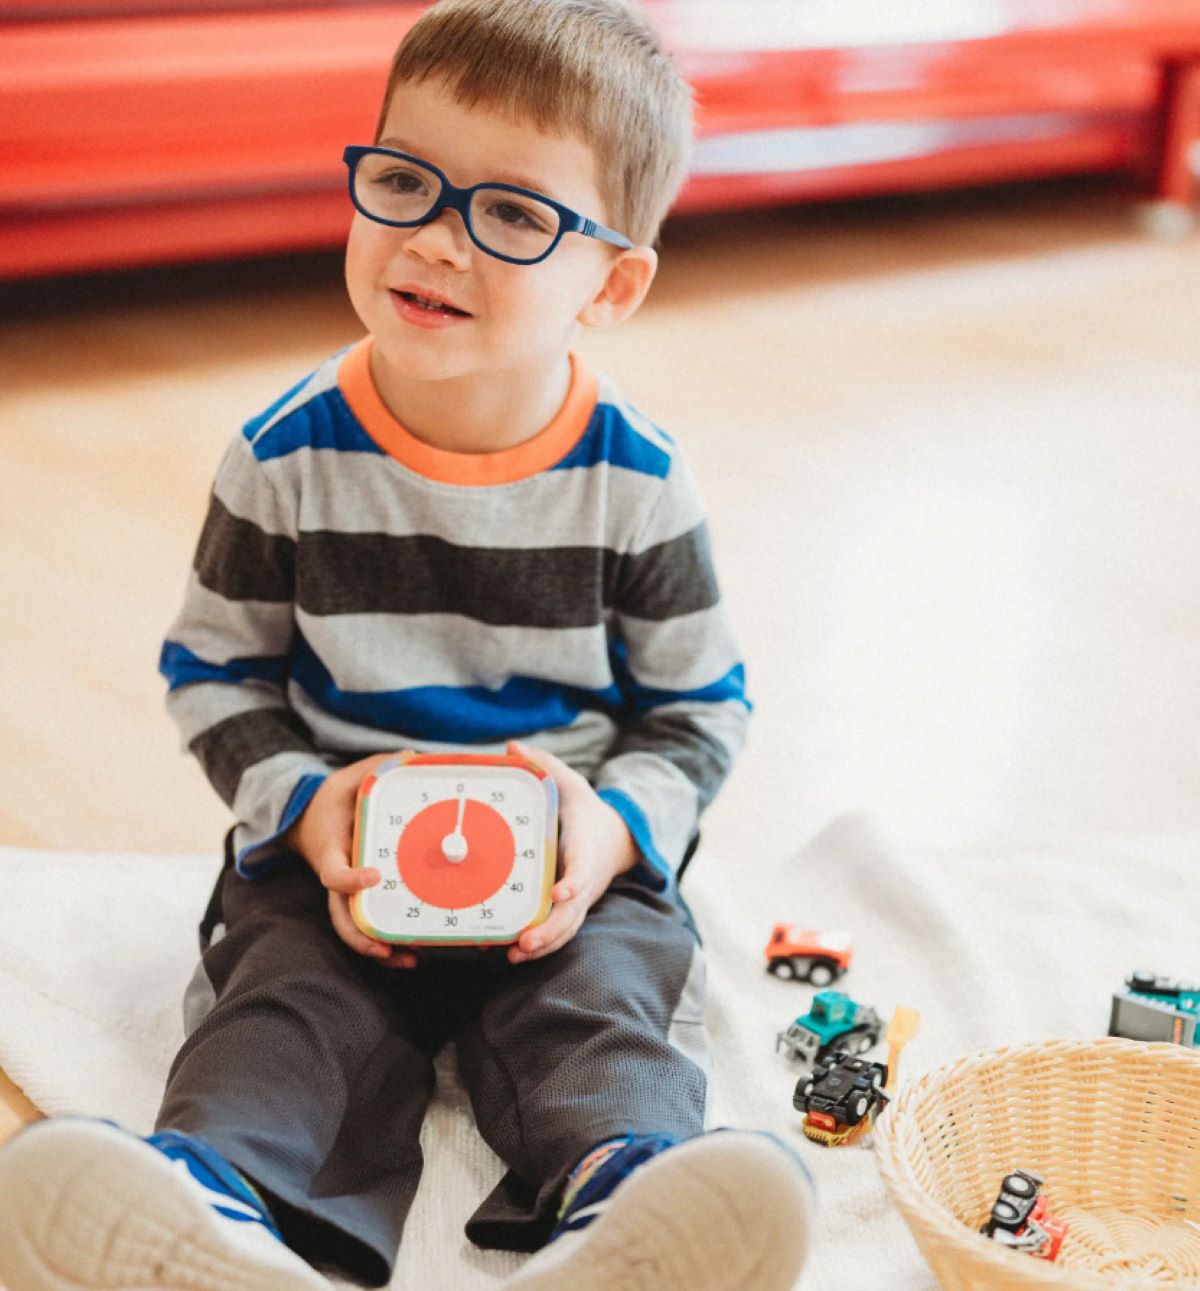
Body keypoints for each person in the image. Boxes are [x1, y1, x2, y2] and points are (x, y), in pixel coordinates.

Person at [0, 2, 815, 1288]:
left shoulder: (640, 484)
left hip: (562, 857)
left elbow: (698, 711)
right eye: (402, 182)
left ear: (611, 283)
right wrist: (307, 812)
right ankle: (208, 1215)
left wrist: (611, 834)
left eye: (513, 212)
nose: (437, 237)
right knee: (284, 1004)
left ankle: (628, 1210)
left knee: (601, 1004)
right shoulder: (286, 456)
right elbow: (217, 674)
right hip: (341, 853)